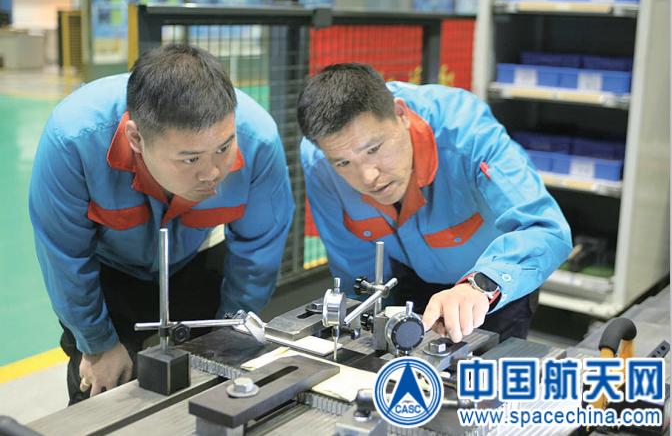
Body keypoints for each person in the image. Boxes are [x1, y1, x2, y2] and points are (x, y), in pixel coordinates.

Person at [29, 44, 294, 404]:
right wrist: (97, 344)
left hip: (195, 260)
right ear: (136, 138)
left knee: (217, 386)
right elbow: (65, 256)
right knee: (100, 390)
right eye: (190, 159)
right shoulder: (74, 140)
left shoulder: (258, 138)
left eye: (223, 149)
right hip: (110, 272)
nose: (212, 173)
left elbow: (258, 249)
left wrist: (231, 330)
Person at [298, 63, 572, 344]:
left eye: (374, 149)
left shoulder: (468, 133)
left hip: (493, 284)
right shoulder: (322, 156)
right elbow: (352, 261)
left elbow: (545, 228)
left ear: (401, 114)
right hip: (406, 281)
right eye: (344, 163)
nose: (368, 177)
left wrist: (481, 286)